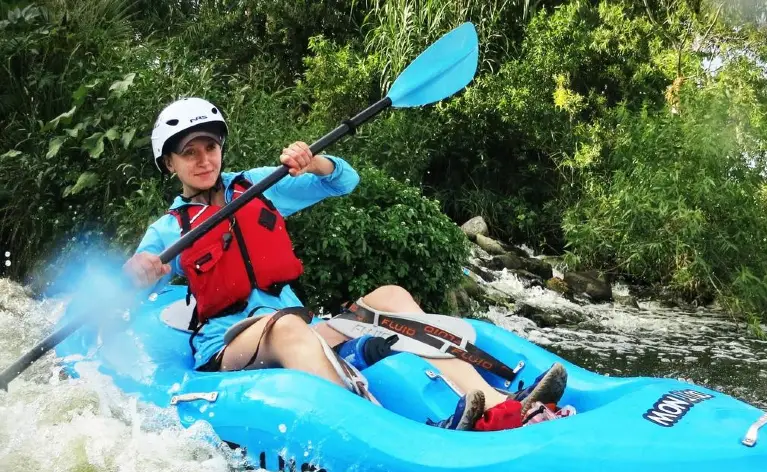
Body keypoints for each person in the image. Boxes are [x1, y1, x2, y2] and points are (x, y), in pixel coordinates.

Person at [123, 97, 567, 430]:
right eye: (189, 153)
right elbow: (130, 285)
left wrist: (314, 162)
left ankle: (496, 405)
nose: (203, 160)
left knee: (390, 297)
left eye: (210, 147)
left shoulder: (257, 185)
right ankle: (373, 428)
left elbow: (344, 181)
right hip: (231, 345)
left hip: (296, 325)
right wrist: (138, 272)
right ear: (169, 163)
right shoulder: (169, 229)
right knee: (287, 327)